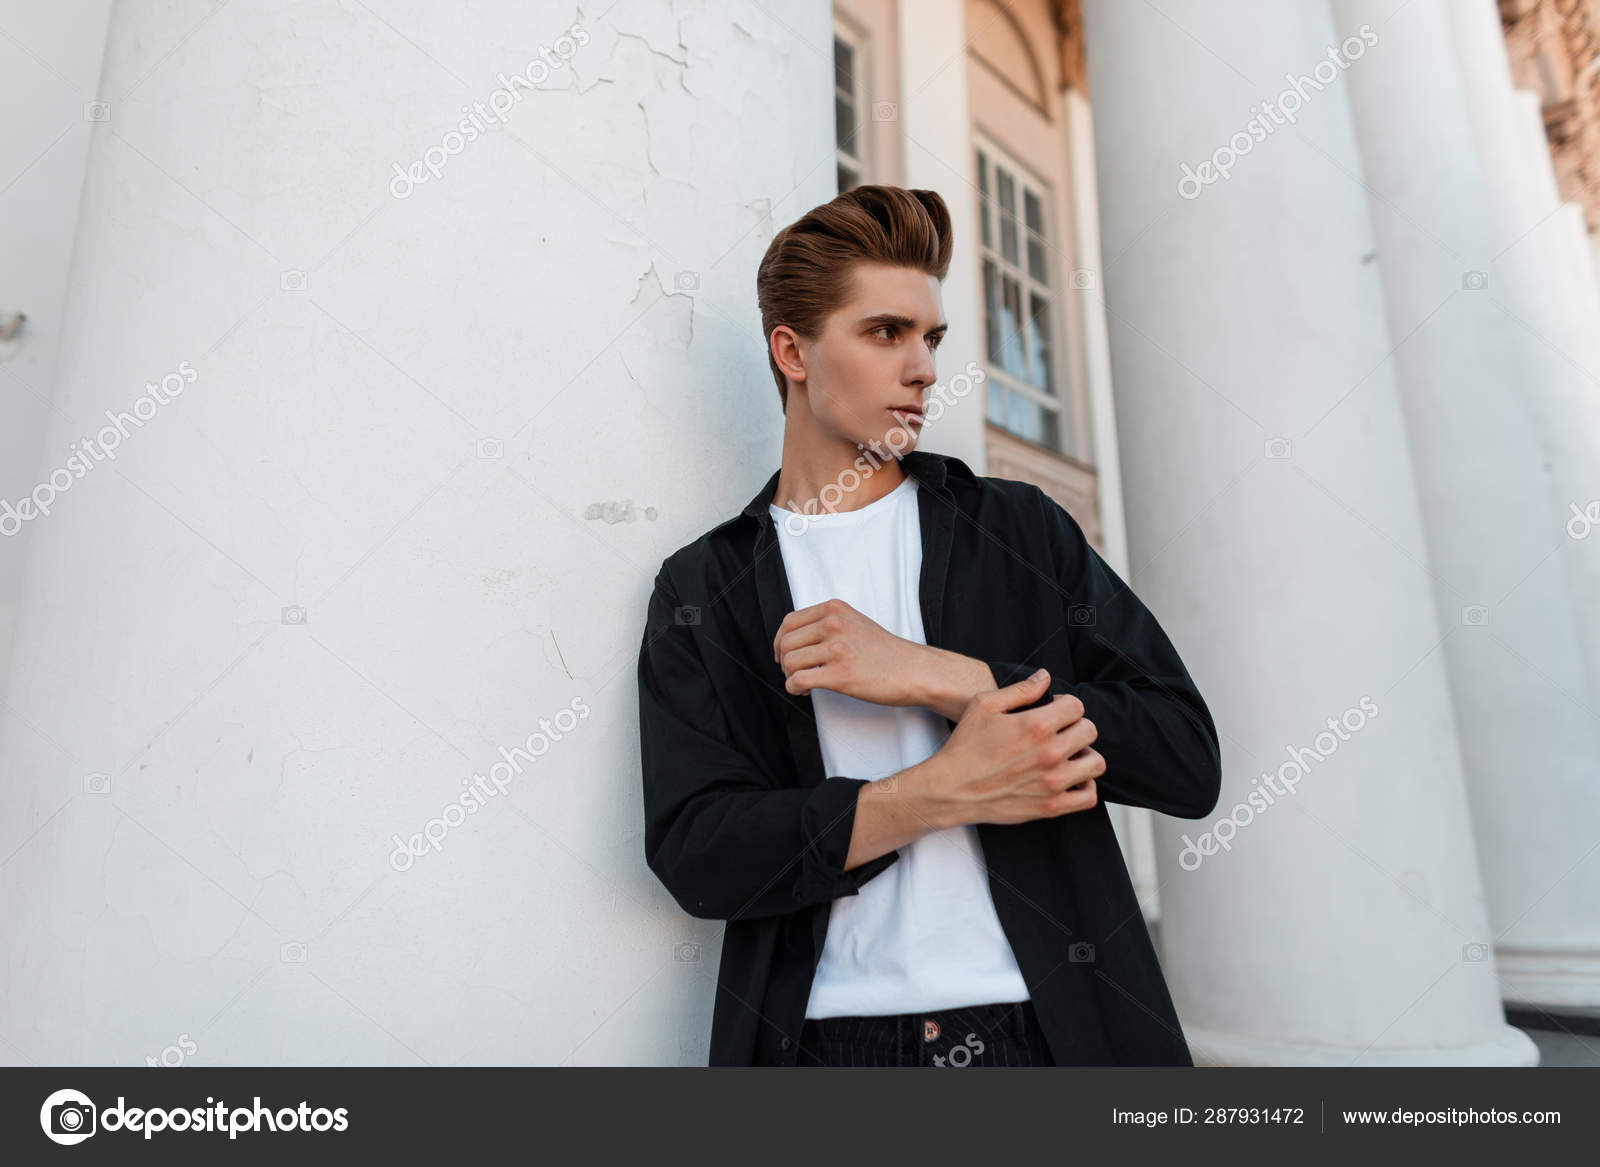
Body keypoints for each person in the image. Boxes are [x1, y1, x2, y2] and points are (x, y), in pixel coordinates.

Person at [637, 184, 1222, 1067]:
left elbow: (1185, 756)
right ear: (791, 351)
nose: (924, 368)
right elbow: (698, 855)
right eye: (885, 333)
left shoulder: (1018, 531)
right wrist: (936, 793)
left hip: (1047, 1031)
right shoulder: (708, 585)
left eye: (931, 337)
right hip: (823, 1047)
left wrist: (940, 674)